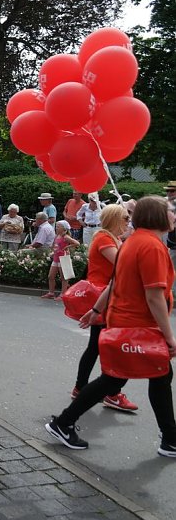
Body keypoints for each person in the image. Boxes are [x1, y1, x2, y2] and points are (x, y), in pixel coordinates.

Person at [46, 196, 176, 457]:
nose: (174, 215)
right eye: (171, 210)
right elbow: (154, 296)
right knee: (118, 378)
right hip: (138, 325)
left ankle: (170, 438)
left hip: (128, 323)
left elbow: (115, 282)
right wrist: (169, 336)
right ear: (158, 216)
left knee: (156, 376)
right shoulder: (151, 246)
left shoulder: (132, 242)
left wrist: (96, 310)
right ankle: (63, 422)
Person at [68, 203, 137, 411]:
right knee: (109, 347)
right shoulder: (104, 238)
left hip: (108, 297)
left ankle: (84, 388)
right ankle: (111, 393)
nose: (128, 222)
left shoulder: (111, 238)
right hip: (105, 297)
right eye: (126, 218)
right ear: (115, 219)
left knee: (97, 347)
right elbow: (122, 264)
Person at [42, 221, 80, 300]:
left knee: (63, 277)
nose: (56, 228)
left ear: (64, 228)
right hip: (56, 258)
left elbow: (77, 243)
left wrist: (67, 247)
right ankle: (51, 293)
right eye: (56, 226)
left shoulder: (65, 237)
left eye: (58, 227)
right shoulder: (57, 236)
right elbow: (56, 246)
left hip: (63, 258)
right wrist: (53, 252)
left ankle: (63, 294)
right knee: (51, 276)